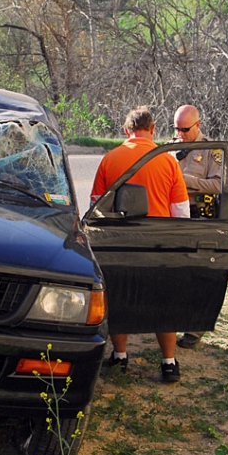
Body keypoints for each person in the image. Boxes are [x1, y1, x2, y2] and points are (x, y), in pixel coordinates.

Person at [90, 106, 190, 382]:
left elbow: (96, 206)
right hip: (159, 242)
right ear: (153, 128)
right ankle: (168, 362)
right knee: (163, 302)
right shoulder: (168, 161)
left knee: (120, 297)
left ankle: (120, 356)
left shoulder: (110, 159)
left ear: (126, 130)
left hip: (120, 242)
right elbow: (181, 211)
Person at [170, 104, 225, 349]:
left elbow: (218, 185)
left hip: (197, 216)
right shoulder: (171, 148)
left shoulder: (212, 150)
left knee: (198, 274)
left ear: (198, 125)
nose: (180, 134)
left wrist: (185, 181)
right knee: (174, 273)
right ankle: (168, 321)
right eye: (177, 129)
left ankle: (194, 328)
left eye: (185, 129)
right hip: (172, 217)